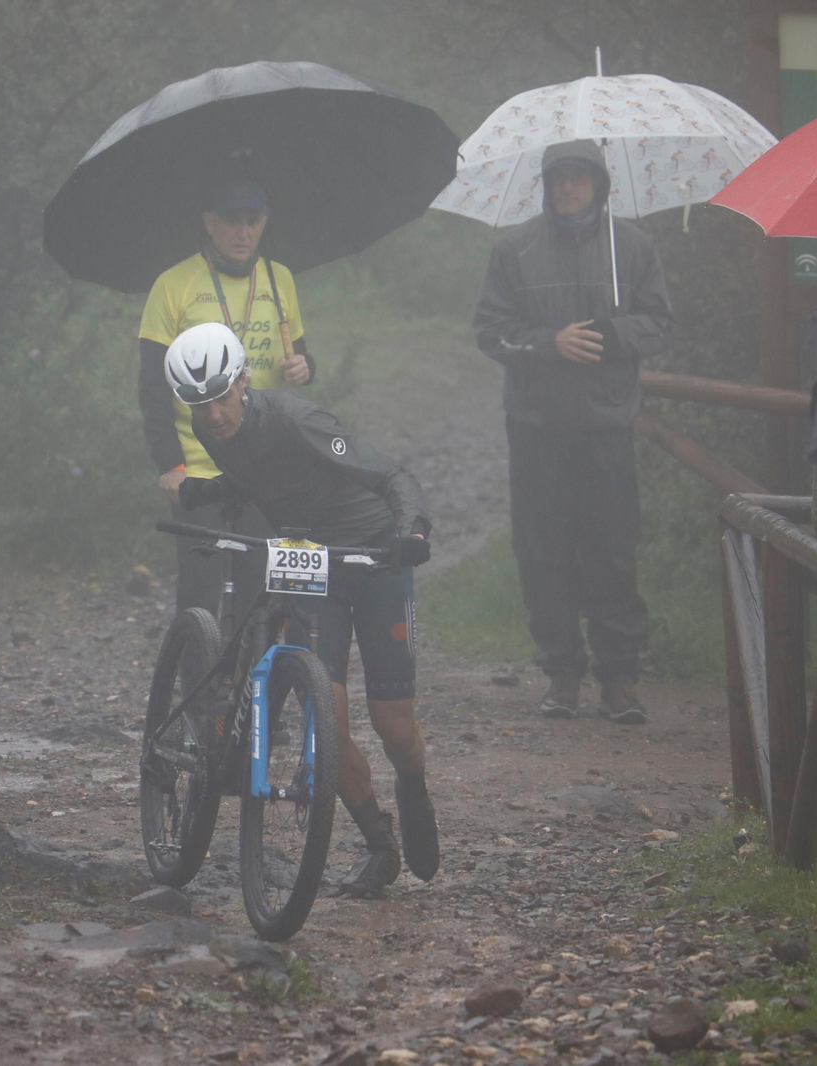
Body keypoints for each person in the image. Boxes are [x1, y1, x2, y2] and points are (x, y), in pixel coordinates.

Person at [167, 322, 436, 896]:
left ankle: (413, 785)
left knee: (393, 725)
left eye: (218, 396)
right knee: (326, 718)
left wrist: (412, 529)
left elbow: (391, 473)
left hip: (375, 558)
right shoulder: (212, 427)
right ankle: (380, 845)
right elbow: (262, 477)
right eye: (196, 402)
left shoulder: (294, 419)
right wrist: (207, 491)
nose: (211, 414)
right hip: (314, 565)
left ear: (241, 381)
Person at [473, 140, 674, 725]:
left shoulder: (632, 247)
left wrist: (611, 337)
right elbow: (491, 331)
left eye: (579, 179)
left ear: (600, 184)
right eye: (558, 178)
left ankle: (620, 680)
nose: (568, 188)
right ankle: (561, 675)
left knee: (612, 552)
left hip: (608, 425)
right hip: (538, 426)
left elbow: (660, 322)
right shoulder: (515, 249)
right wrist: (548, 343)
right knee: (544, 552)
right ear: (545, 184)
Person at [138, 176, 315, 617]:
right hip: (199, 467)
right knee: (201, 591)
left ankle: (250, 684)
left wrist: (305, 367)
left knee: (261, 588)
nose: (243, 233)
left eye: (252, 221)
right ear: (209, 223)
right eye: (232, 222)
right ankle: (202, 685)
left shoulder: (280, 279)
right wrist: (170, 465)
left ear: (264, 223)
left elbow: (301, 357)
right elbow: (151, 384)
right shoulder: (173, 284)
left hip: (267, 460)